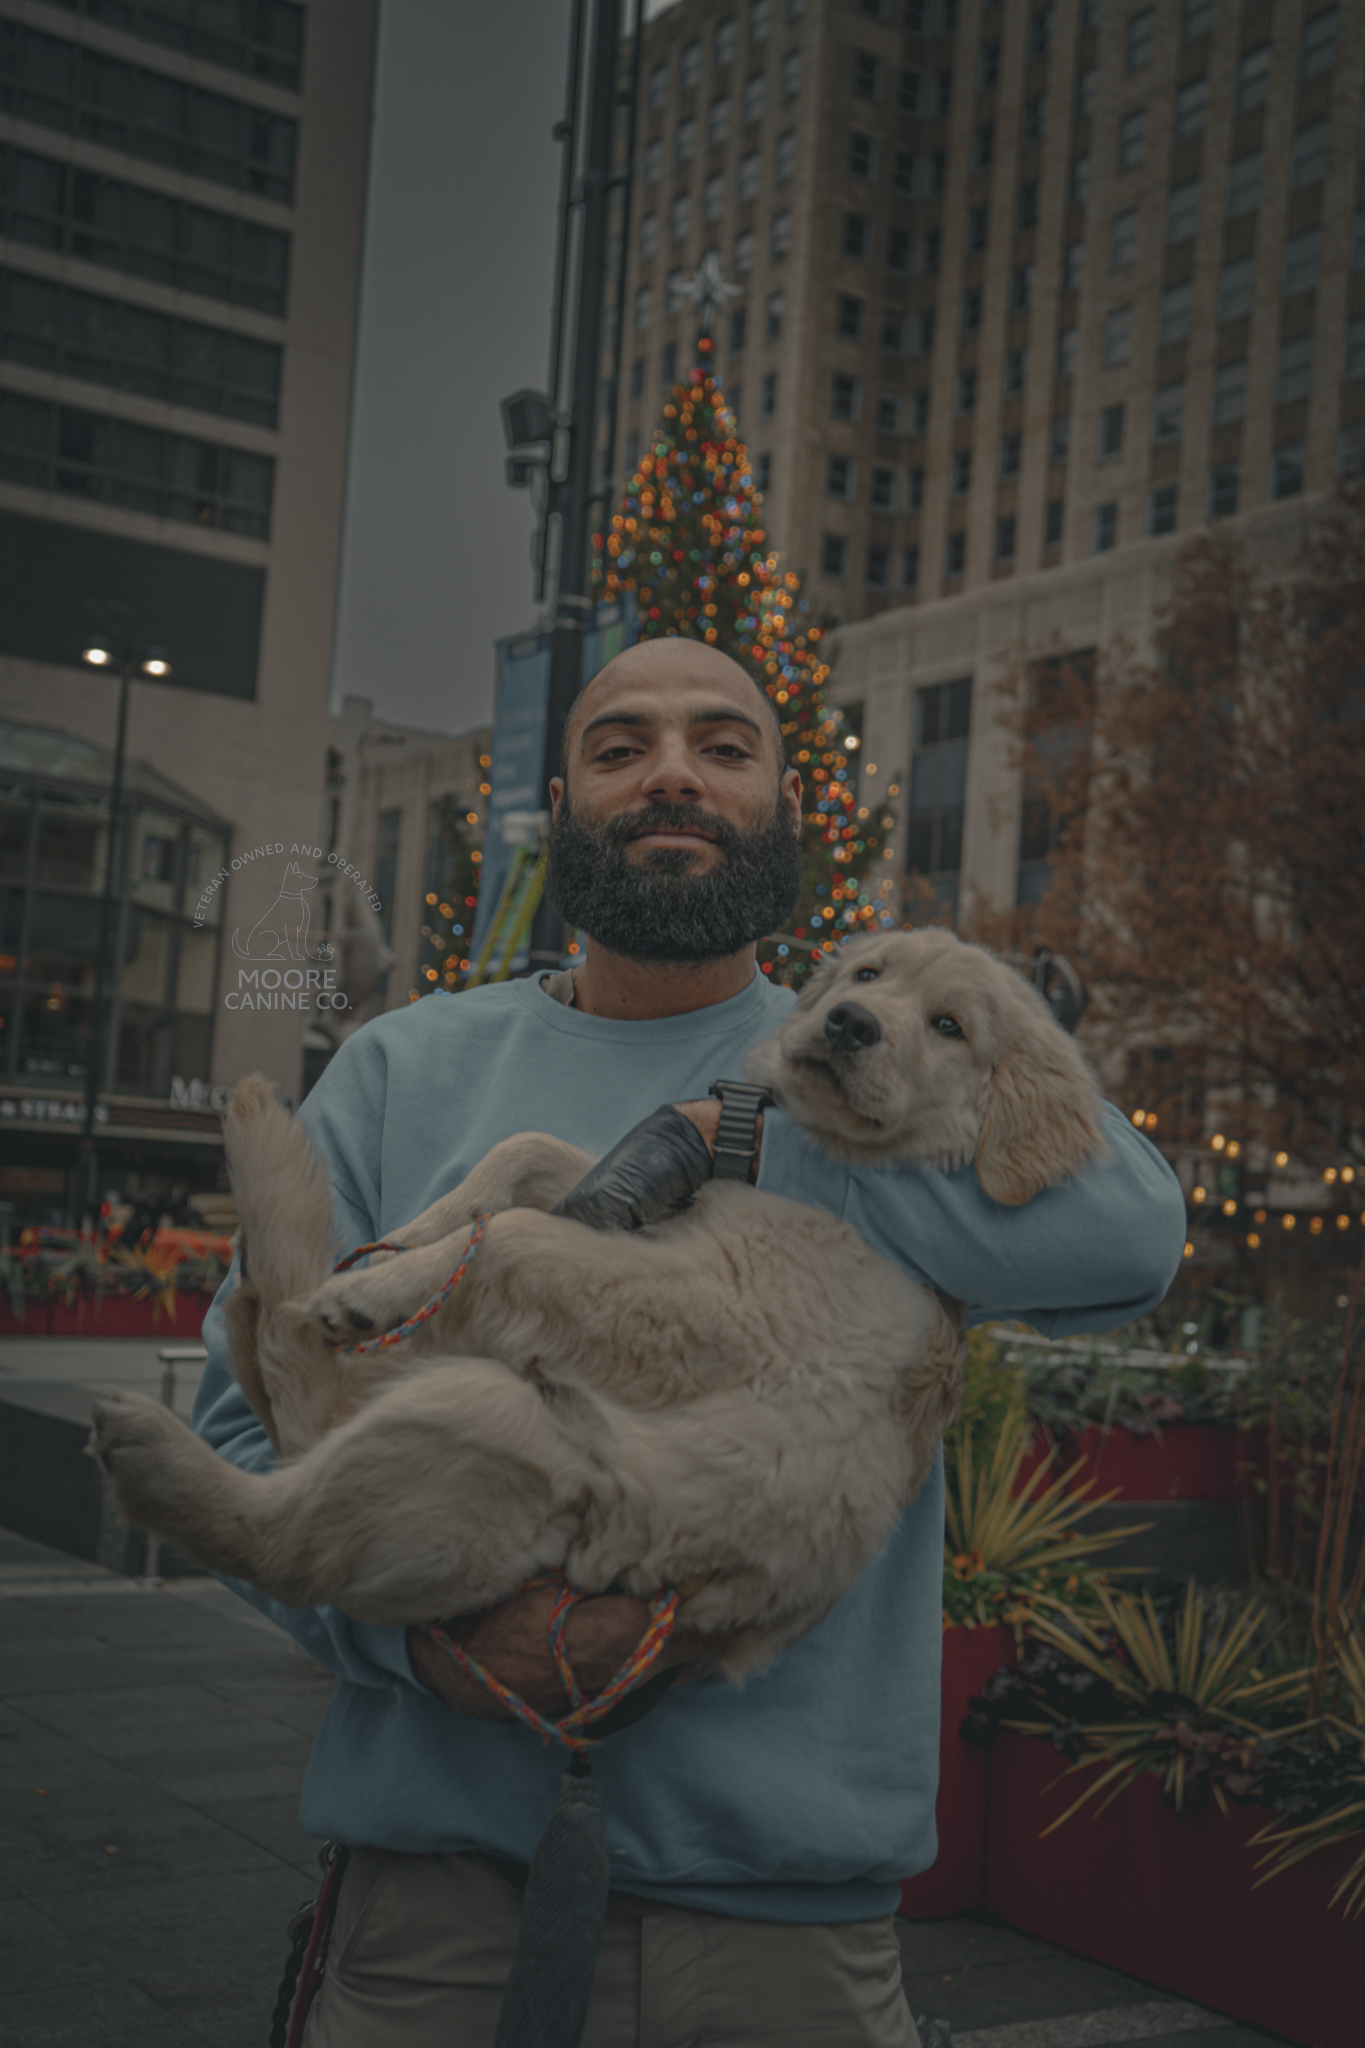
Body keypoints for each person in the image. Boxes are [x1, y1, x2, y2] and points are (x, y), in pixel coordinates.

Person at [192, 638, 1186, 2046]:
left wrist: (761, 1130)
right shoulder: (405, 1069)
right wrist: (420, 1652)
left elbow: (1134, 1236)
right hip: (432, 1925)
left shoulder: (905, 1061)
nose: (673, 773)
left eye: (726, 747)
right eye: (622, 748)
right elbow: (241, 1427)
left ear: (787, 810)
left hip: (785, 1943)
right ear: (559, 804)